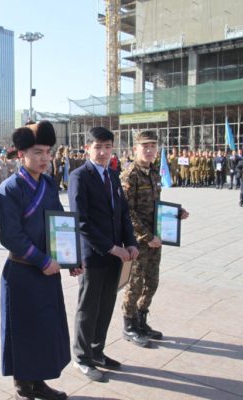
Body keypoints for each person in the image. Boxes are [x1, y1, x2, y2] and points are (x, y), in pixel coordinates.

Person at [0, 121, 82, 400]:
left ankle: (39, 382)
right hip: (23, 271)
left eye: (47, 152)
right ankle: (23, 386)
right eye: (37, 152)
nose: (45, 158)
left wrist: (71, 257)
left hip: (49, 270)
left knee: (45, 328)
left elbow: (59, 221)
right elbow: (12, 237)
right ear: (21, 154)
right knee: (24, 330)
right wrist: (42, 260)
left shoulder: (48, 183)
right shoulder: (8, 189)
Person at [69, 127, 138, 382]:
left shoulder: (113, 174)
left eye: (107, 147)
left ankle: (97, 351)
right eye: (97, 147)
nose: (103, 152)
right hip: (94, 255)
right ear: (87, 148)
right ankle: (82, 357)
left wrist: (130, 243)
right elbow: (81, 221)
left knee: (106, 305)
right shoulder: (79, 176)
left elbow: (123, 213)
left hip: (116, 255)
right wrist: (111, 247)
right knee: (88, 308)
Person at [120, 131, 189, 348]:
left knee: (152, 281)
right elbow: (127, 212)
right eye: (145, 146)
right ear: (135, 149)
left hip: (156, 238)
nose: (150, 150)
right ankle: (129, 325)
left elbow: (156, 206)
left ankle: (141, 320)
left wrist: (175, 214)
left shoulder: (153, 173)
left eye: (153, 146)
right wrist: (146, 236)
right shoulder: (130, 175)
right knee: (135, 283)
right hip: (139, 240)